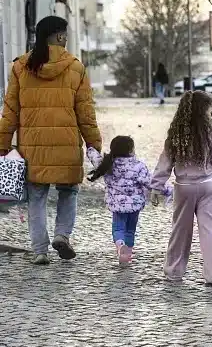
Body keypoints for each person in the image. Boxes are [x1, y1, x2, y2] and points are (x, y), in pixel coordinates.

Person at [0, 15, 102, 265]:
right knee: (68, 191)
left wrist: (2, 145)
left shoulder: (20, 67)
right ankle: (62, 235)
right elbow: (85, 112)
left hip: (33, 146)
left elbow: (10, 110)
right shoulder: (75, 67)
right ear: (57, 36)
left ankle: (40, 250)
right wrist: (93, 144)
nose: (66, 39)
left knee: (36, 196)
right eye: (64, 34)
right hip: (66, 144)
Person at [150, 90, 212, 285]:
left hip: (183, 187)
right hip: (207, 185)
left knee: (180, 230)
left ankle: (174, 271)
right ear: (203, 110)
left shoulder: (176, 134)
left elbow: (165, 162)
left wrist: (156, 186)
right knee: (211, 230)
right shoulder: (210, 133)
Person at [86, 136, 162, 265]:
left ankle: (121, 247)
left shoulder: (107, 164)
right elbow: (149, 182)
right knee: (130, 230)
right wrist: (167, 190)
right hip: (135, 205)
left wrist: (90, 146)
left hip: (117, 205)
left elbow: (94, 157)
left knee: (118, 229)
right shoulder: (138, 166)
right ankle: (128, 254)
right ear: (131, 150)